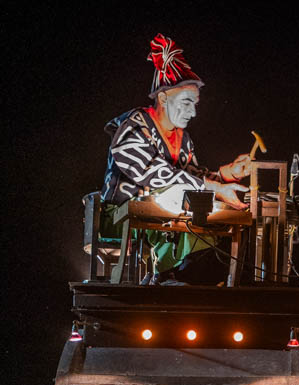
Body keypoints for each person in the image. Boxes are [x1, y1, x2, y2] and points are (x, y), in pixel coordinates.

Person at [101, 34, 251, 285]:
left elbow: (190, 175)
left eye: (195, 104)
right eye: (186, 102)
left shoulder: (183, 139)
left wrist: (226, 174)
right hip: (120, 214)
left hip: (170, 215)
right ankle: (171, 273)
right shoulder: (133, 127)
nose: (193, 112)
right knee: (182, 197)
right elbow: (153, 172)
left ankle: (185, 273)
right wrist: (214, 187)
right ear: (163, 98)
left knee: (195, 204)